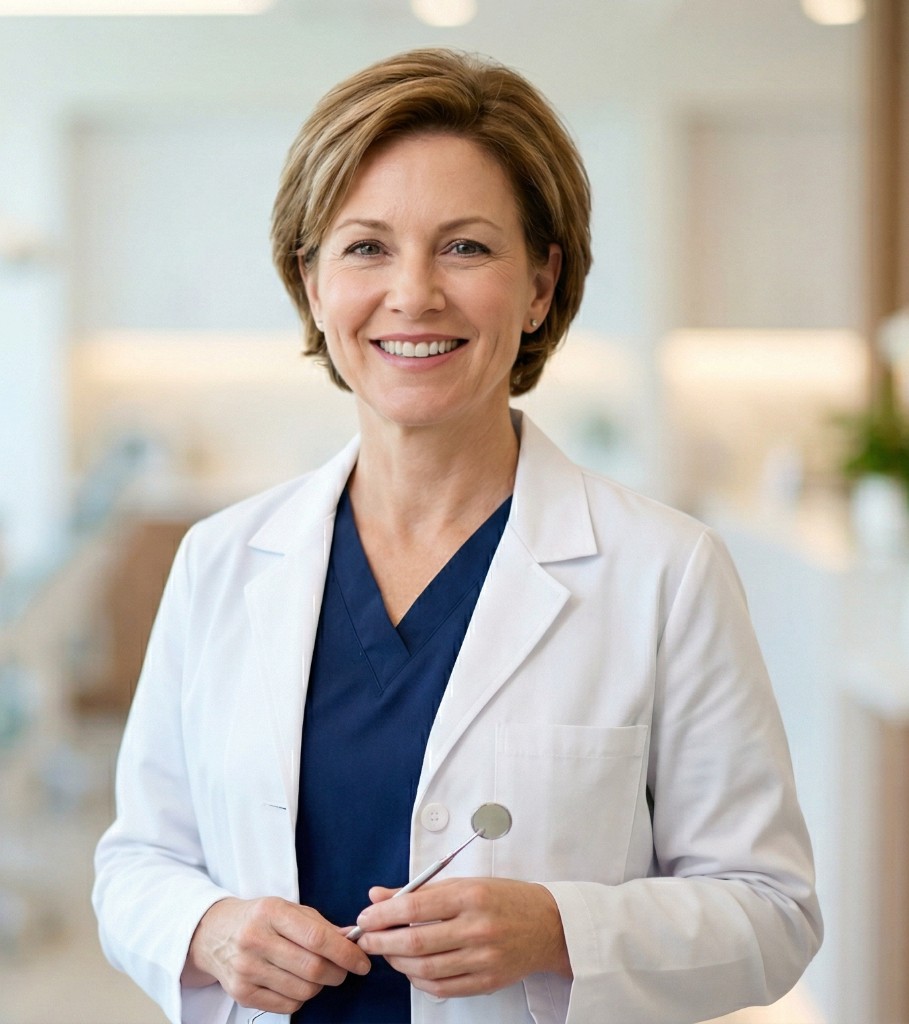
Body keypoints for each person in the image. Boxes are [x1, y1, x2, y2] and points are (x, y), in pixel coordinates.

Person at [93, 47, 822, 1024]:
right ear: (313, 285)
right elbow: (137, 858)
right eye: (365, 248)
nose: (414, 293)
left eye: (467, 247)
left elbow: (771, 913)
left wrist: (561, 929)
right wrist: (205, 928)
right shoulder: (222, 560)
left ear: (539, 282)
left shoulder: (665, 572)